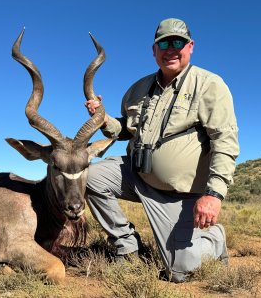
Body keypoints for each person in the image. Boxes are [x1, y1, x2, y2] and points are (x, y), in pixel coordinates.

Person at [85, 18, 239, 282]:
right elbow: (125, 130)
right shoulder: (137, 89)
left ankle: (214, 239)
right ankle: (127, 245)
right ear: (153, 50)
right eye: (163, 43)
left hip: (179, 195)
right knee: (86, 176)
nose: (171, 49)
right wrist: (103, 118)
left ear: (190, 46)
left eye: (177, 42)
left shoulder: (209, 85)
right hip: (136, 175)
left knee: (181, 271)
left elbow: (225, 141)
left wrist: (213, 194)